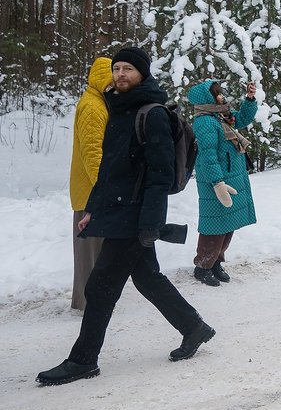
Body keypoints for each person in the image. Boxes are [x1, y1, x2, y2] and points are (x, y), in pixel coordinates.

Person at [37, 47, 215, 386]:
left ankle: (83, 360)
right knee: (147, 277)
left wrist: (151, 223)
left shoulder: (152, 114)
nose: (120, 74)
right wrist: (92, 208)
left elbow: (160, 175)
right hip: (118, 209)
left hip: (135, 215)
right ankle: (194, 327)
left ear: (142, 74)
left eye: (128, 69)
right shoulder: (118, 109)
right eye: (116, 68)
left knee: (100, 287)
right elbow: (109, 168)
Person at [187, 79, 258, 285]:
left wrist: (250, 99)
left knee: (227, 223)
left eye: (220, 92)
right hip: (216, 180)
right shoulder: (205, 122)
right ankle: (203, 266)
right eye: (216, 94)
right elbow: (208, 157)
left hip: (230, 177)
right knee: (214, 225)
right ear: (207, 98)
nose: (221, 96)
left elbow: (242, 119)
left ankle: (216, 262)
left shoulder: (220, 116)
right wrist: (217, 183)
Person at [68, 56, 112, 313]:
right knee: (89, 254)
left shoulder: (97, 102)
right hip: (90, 194)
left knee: (96, 251)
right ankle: (86, 303)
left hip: (91, 192)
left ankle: (93, 299)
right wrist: (103, 188)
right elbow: (93, 153)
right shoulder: (93, 107)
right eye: (112, 80)